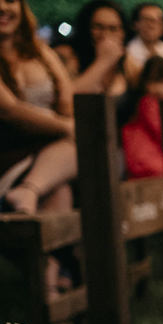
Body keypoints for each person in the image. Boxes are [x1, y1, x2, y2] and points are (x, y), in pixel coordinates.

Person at [0, 0, 76, 297]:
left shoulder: (41, 52)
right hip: (8, 157)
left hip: (50, 160)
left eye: (9, 0)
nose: (3, 8)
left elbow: (66, 98)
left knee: (60, 190)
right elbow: (9, 110)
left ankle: (48, 283)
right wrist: (67, 127)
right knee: (65, 176)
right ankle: (56, 278)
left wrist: (65, 122)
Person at [121, 55, 163, 179]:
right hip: (148, 163)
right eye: (158, 81)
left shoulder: (152, 103)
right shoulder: (149, 103)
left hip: (147, 162)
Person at [71, 0, 127, 96]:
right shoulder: (70, 56)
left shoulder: (127, 62)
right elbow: (68, 95)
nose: (105, 35)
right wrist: (103, 61)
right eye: (98, 27)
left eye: (113, 29)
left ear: (122, 33)